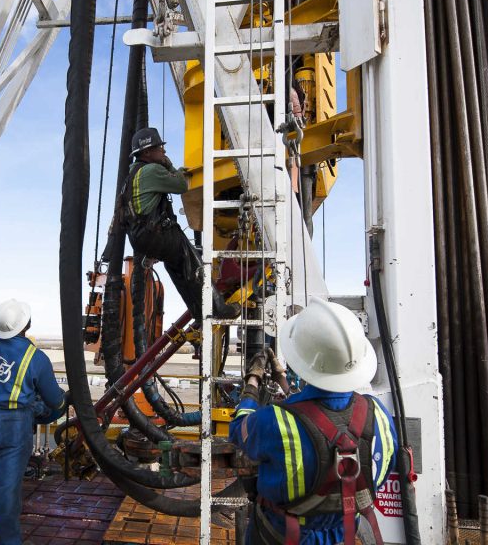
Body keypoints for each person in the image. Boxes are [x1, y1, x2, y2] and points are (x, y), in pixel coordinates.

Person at [230, 297, 398, 545]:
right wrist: (284, 383)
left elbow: (238, 431)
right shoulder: (378, 414)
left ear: (303, 360)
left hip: (281, 536)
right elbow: (318, 418)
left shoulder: (273, 421)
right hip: (344, 536)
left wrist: (252, 384)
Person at [0, 299, 68, 545]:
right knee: (6, 492)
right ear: (27, 324)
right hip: (13, 428)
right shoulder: (36, 357)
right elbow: (55, 399)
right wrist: (64, 404)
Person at [122, 126, 238, 320]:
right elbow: (181, 185)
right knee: (192, 261)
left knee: (177, 266)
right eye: (160, 148)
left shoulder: (133, 173)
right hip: (155, 234)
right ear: (148, 152)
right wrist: (170, 167)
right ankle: (218, 309)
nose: (164, 151)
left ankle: (199, 313)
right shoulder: (153, 170)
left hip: (139, 237)